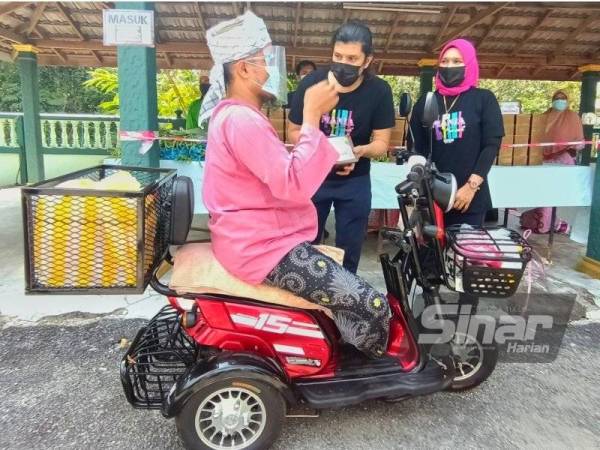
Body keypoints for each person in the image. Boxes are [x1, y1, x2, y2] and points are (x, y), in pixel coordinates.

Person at [199, 11, 391, 359]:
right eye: (263, 61)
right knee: (373, 303)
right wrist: (313, 116)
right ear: (243, 69)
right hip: (262, 248)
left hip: (257, 238)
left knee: (345, 270)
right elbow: (294, 185)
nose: (269, 69)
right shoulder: (241, 120)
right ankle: (364, 364)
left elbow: (282, 173)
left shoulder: (235, 115)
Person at [288, 21, 396, 274]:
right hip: (313, 180)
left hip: (355, 181)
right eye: (338, 56)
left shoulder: (379, 91)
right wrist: (320, 152)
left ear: (367, 61)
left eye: (351, 58)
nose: (343, 63)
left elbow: (381, 143)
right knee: (305, 246)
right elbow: (293, 131)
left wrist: (360, 152)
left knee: (350, 249)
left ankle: (344, 301)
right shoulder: (311, 85)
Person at [410, 38, 504, 229]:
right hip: (431, 195)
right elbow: (415, 146)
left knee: (463, 255)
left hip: (468, 197)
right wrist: (421, 188)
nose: (449, 66)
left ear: (469, 65)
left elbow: (491, 145)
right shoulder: (427, 101)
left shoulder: (484, 99)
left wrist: (471, 187)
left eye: (456, 61)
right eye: (444, 62)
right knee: (429, 256)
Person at [520, 90, 584, 234]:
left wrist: (566, 148)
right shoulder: (544, 117)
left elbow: (579, 143)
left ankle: (547, 223)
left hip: (564, 160)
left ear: (567, 101)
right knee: (543, 192)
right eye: (557, 98)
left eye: (563, 98)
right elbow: (535, 136)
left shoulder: (573, 117)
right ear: (552, 100)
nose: (560, 101)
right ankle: (548, 223)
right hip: (543, 160)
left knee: (553, 194)